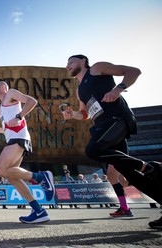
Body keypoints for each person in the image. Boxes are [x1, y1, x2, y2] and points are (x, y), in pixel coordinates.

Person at [63, 54, 162, 229]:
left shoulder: (96, 69)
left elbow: (134, 71)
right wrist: (73, 115)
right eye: (66, 64)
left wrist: (118, 89)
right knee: (129, 173)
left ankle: (150, 167)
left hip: (117, 119)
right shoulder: (79, 90)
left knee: (93, 150)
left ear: (82, 61)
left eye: (70, 62)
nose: (67, 66)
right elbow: (84, 113)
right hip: (103, 125)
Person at [0, 81, 55, 224]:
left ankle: (41, 177)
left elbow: (32, 101)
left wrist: (19, 116)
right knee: (11, 176)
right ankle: (39, 211)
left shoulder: (10, 93)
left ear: (2, 87)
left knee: (0, 170)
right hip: (13, 138)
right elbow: (8, 127)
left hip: (19, 138)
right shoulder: (2, 108)